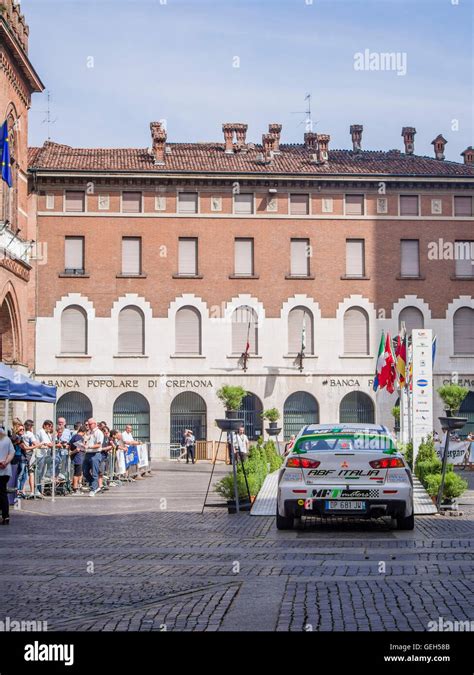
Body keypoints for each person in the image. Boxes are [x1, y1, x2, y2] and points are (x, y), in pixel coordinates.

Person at [82, 418, 104, 497]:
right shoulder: (89, 432)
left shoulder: (98, 433)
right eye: (87, 424)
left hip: (95, 453)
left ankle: (93, 489)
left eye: (90, 424)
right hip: (88, 453)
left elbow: (99, 444)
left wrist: (89, 446)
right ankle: (95, 485)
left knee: (95, 472)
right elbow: (86, 442)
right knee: (84, 471)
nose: (88, 426)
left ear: (94, 424)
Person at [0, 426, 15, 524]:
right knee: (3, 493)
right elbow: (12, 452)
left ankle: (5, 516)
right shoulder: (6, 439)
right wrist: (5, 462)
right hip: (6, 470)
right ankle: (5, 516)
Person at [69, 423, 86, 494]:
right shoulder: (79, 437)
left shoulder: (74, 436)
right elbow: (79, 448)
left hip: (76, 457)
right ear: (84, 432)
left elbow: (70, 445)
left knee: (77, 473)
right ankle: (75, 489)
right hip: (78, 457)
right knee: (77, 473)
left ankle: (76, 487)